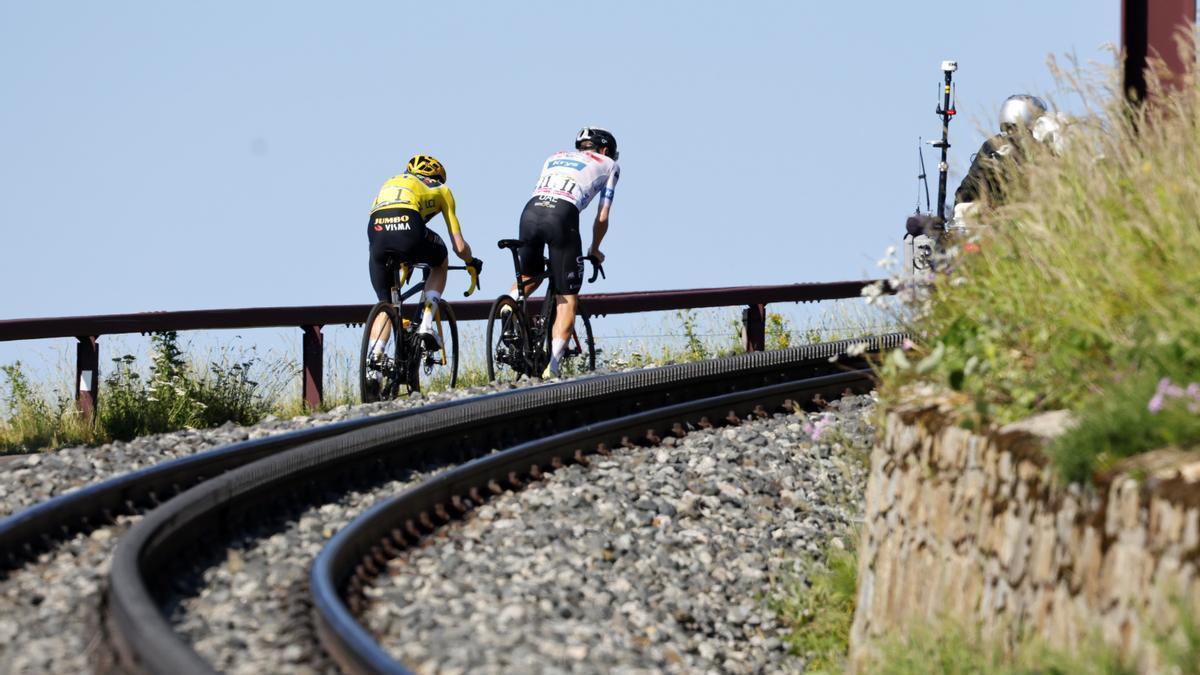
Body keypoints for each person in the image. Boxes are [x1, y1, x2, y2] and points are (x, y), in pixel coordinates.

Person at [509, 127, 620, 378]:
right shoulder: (610, 164)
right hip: (562, 215)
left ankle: (509, 305)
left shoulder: (555, 156)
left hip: (530, 211)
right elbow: (602, 217)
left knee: (530, 275)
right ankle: (554, 366)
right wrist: (595, 248)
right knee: (567, 297)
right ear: (605, 150)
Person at [366, 154, 481, 360]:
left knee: (386, 304)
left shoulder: (391, 181)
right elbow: (459, 246)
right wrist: (470, 262)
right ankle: (427, 324)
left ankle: (375, 360)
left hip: (377, 231)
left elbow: (390, 226)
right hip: (409, 226)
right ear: (437, 175)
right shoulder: (441, 189)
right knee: (440, 260)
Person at [952, 94, 1049, 225]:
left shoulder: (992, 145)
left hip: (983, 221)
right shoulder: (1038, 148)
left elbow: (965, 191)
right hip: (1017, 222)